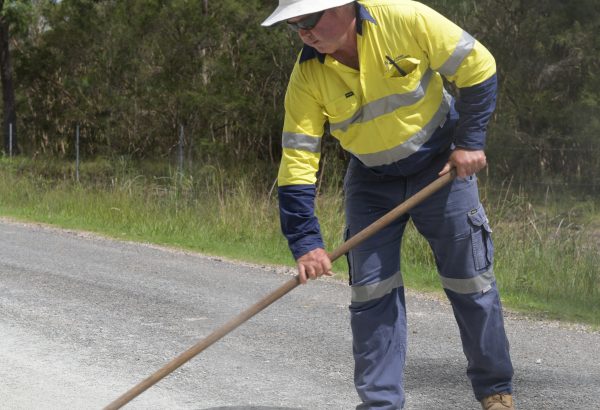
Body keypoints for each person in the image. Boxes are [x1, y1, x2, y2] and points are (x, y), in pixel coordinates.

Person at [261, 1, 514, 409]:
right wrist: (306, 242)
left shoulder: (404, 18)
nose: (304, 33)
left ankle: (495, 392)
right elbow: (297, 161)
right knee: (371, 292)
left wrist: (470, 142)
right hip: (371, 180)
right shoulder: (306, 76)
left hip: (441, 167)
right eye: (294, 26)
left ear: (344, 6)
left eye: (309, 20)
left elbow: (478, 66)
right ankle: (380, 405)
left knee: (470, 282)